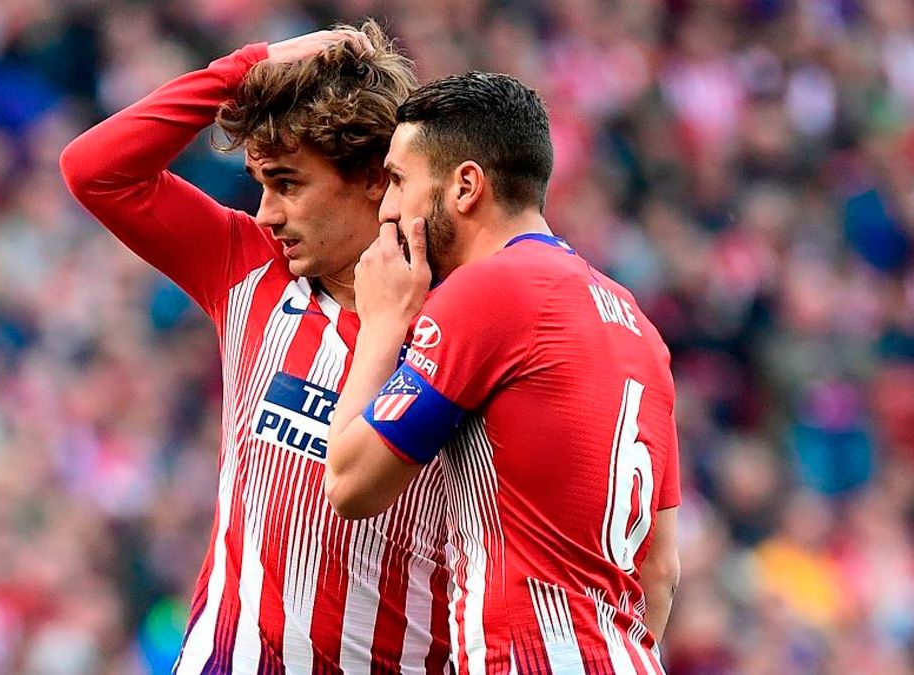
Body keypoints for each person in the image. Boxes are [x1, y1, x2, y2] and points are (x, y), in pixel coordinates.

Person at [60, 23, 452, 674]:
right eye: (260, 183)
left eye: (288, 183)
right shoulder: (248, 268)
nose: (266, 212)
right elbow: (94, 171)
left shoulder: (462, 325)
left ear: (375, 180)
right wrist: (241, 69)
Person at [325, 71, 681, 674]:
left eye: (399, 181)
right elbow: (661, 571)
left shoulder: (490, 290)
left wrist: (382, 324)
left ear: (466, 186)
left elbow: (351, 482)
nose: (386, 207)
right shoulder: (638, 325)